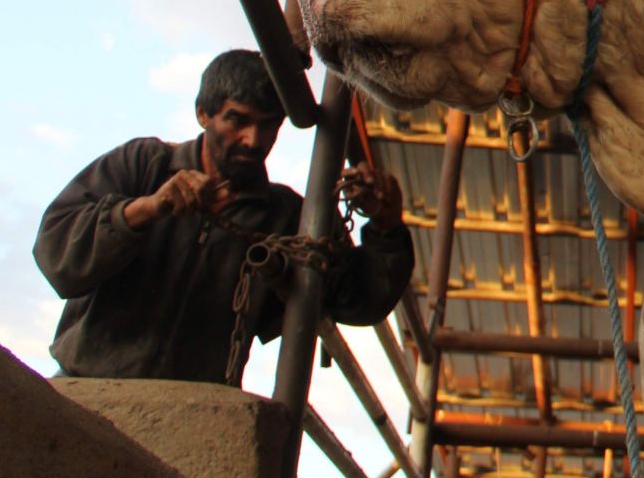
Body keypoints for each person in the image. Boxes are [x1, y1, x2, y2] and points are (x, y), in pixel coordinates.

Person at [34, 50, 414, 385]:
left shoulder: (286, 217)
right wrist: (145, 210)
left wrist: (387, 227)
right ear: (203, 113)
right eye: (238, 120)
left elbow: (360, 299)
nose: (253, 139)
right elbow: (55, 252)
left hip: (193, 414)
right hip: (85, 387)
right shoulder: (144, 166)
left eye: (269, 125)